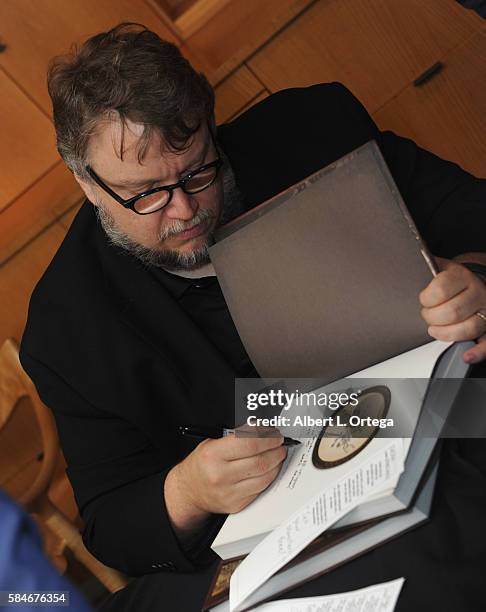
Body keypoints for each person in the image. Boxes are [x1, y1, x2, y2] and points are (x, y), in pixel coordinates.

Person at [19, 21, 486, 596]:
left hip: (443, 418)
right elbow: (109, 520)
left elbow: (472, 216)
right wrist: (189, 490)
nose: (184, 209)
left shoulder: (314, 130)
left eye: (197, 172)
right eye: (145, 194)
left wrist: (475, 282)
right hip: (286, 524)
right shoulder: (66, 326)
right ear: (88, 185)